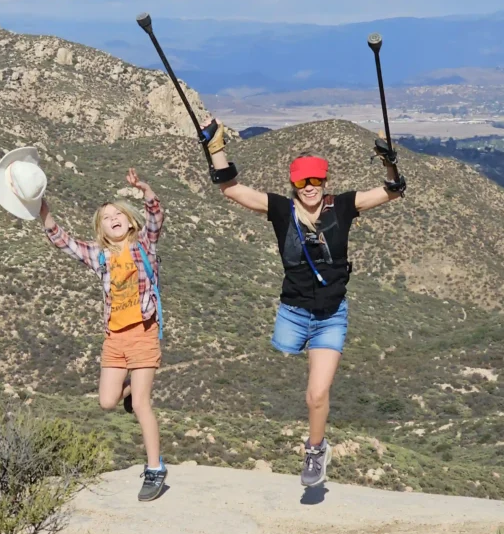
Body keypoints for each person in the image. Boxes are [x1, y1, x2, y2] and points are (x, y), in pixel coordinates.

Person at [197, 119, 407, 487]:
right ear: (292, 185)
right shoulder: (281, 210)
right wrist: (216, 150)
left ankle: (315, 449)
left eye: (315, 181)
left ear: (325, 182)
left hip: (330, 316)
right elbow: (231, 189)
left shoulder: (342, 207)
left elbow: (392, 191)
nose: (309, 188)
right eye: (301, 182)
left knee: (316, 393)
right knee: (273, 364)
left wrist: (389, 161)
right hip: (292, 313)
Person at [24, 168, 168, 502]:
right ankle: (132, 385)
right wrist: (43, 210)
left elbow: (156, 216)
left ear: (130, 222)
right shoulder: (99, 255)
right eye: (106, 218)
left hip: (144, 333)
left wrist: (145, 189)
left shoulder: (144, 244)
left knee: (143, 404)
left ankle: (155, 469)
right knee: (106, 401)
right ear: (100, 228)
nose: (114, 218)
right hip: (114, 339)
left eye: (118, 214)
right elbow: (63, 241)